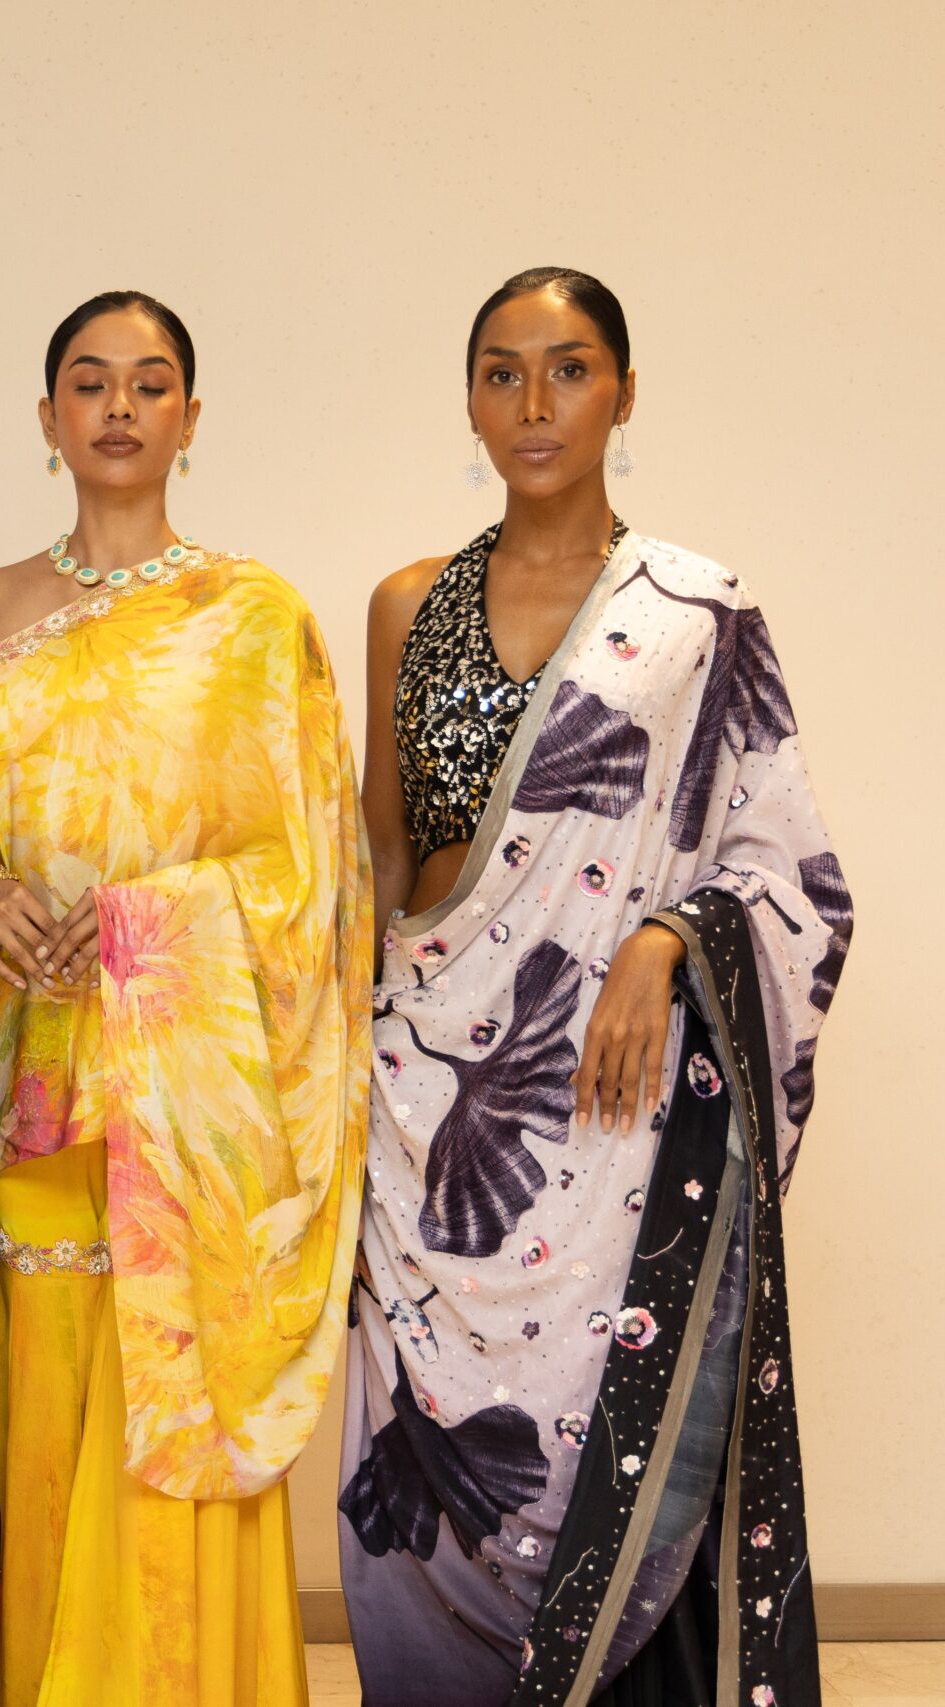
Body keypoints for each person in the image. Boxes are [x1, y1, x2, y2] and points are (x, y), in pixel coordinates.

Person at [342, 267, 850, 1707]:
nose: (534, 403)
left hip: (611, 1109)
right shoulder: (406, 603)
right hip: (425, 1103)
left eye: (568, 369)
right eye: (501, 372)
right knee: (422, 1460)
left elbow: (788, 866)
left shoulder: (695, 613)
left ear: (625, 393)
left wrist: (666, 939)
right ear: (469, 400)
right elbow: (388, 848)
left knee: (607, 1437)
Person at [0, 290, 370, 1707]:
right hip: (31, 1058)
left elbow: (311, 870)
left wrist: (145, 922)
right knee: (48, 1385)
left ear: (190, 415)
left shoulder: (255, 614)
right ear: (47, 414)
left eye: (150, 381)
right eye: (90, 380)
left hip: (191, 1087)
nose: (119, 406)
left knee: (168, 1373)